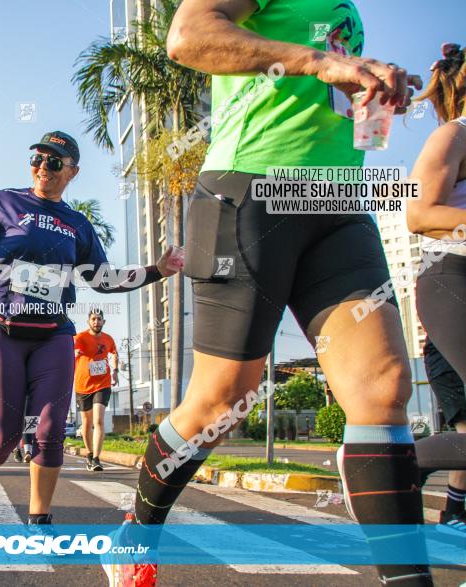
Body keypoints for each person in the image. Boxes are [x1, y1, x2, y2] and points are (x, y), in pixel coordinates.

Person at [115, 2, 429, 586]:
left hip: (336, 202)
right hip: (249, 191)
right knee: (221, 401)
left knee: (384, 388)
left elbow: (327, 84)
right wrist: (314, 62)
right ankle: (138, 529)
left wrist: (371, 80)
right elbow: (187, 37)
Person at [0, 131, 182, 526]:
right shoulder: (6, 202)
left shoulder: (78, 225)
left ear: (72, 172)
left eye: (54, 162)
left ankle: (40, 520)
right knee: (5, 436)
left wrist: (155, 271)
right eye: (38, 160)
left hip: (54, 335)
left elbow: (104, 279)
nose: (43, 167)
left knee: (50, 431)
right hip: (2, 332)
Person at [406, 42, 466, 532]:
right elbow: (419, 213)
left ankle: (455, 515)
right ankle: (378, 469)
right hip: (453, 279)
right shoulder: (455, 134)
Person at [74, 308, 118, 472]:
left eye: (99, 319)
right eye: (93, 319)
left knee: (98, 420)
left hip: (103, 383)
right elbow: (68, 350)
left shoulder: (108, 339)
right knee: (87, 422)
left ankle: (97, 458)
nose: (96, 322)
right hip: (83, 385)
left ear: (103, 322)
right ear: (88, 321)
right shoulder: (80, 337)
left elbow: (114, 354)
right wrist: (74, 352)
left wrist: (115, 371)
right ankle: (89, 454)